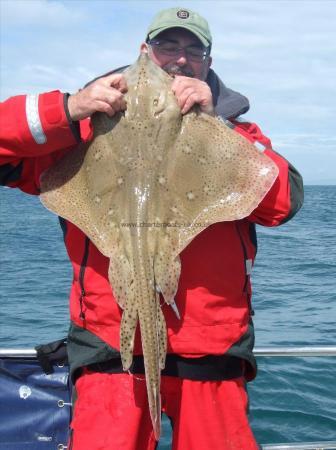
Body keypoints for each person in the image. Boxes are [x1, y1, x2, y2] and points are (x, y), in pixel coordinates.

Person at [0, 7, 303, 450]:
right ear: (145, 51)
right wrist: (68, 107)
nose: (179, 59)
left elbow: (285, 203)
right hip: (110, 354)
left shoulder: (232, 130)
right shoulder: (83, 131)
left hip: (211, 349)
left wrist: (215, 122)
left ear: (208, 64)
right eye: (167, 46)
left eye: (192, 48)